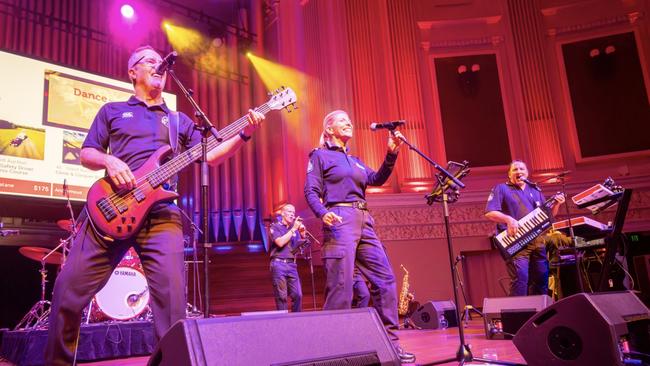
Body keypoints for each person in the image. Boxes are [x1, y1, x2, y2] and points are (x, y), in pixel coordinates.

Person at [45, 45, 265, 365]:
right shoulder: (113, 110)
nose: (157, 64)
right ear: (132, 72)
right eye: (148, 61)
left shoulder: (177, 121)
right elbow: (87, 154)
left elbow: (213, 155)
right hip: (111, 208)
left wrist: (245, 132)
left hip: (161, 216)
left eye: (158, 61)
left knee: (173, 309)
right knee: (67, 290)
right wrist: (110, 160)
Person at [304, 110, 415, 363]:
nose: (349, 123)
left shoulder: (355, 160)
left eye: (349, 120)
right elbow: (310, 190)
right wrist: (322, 213)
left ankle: (390, 345)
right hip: (340, 219)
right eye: (342, 120)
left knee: (385, 280)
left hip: (365, 220)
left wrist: (391, 153)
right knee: (341, 287)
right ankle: (333, 352)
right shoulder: (319, 156)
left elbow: (376, 179)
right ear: (329, 129)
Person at [485, 160, 565, 296]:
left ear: (527, 173)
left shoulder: (535, 190)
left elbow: (548, 216)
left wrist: (557, 204)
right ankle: (519, 316)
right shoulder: (501, 188)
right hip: (516, 241)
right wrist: (508, 219)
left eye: (522, 169)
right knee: (520, 279)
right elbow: (489, 213)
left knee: (541, 279)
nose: (519, 172)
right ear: (509, 175)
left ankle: (540, 314)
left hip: (538, 242)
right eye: (515, 170)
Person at [268, 204, 304, 312]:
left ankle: (296, 321)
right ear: (282, 213)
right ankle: (283, 322)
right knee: (281, 296)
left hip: (292, 264)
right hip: (278, 264)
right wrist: (294, 229)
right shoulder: (275, 226)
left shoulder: (294, 230)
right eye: (289, 212)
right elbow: (280, 242)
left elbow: (298, 248)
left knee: (298, 295)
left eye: (293, 212)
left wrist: (302, 234)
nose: (292, 215)